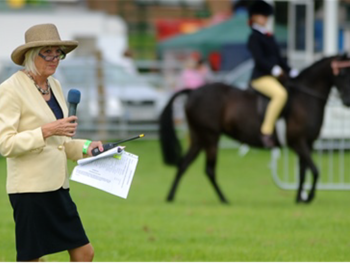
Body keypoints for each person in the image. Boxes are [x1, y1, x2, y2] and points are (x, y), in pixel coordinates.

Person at [0, 23, 105, 261]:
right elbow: (5, 144)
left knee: (85, 252)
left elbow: (62, 142)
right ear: (30, 55)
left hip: (58, 189)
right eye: (47, 52)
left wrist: (90, 147)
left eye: (58, 53)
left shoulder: (54, 85)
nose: (54, 58)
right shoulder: (10, 90)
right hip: (30, 191)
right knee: (32, 259)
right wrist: (45, 131)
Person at [247, 0, 298, 148]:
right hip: (261, 77)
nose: (265, 18)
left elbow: (279, 58)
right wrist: (273, 69)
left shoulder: (269, 35)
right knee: (280, 94)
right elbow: (260, 59)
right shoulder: (254, 37)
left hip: (275, 76)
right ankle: (266, 131)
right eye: (262, 15)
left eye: (266, 16)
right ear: (255, 17)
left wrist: (290, 70)